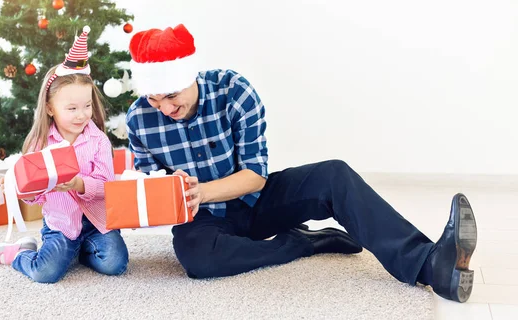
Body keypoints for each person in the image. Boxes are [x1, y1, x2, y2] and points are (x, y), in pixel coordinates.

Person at [125, 24, 478, 303]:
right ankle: (303, 243)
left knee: (333, 175)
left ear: (190, 77)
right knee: (198, 261)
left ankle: (432, 264)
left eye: (172, 96)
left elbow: (255, 178)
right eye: (155, 100)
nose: (166, 109)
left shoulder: (234, 91)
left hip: (253, 200)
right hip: (201, 219)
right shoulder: (139, 119)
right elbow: (148, 184)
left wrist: (201, 191)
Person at [0, 26, 129, 284]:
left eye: (86, 106)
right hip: (61, 224)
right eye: (71, 108)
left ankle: (81, 251)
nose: (82, 114)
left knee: (115, 264)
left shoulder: (98, 140)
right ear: (50, 108)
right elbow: (34, 197)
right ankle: (18, 254)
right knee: (45, 273)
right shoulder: (39, 143)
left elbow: (107, 185)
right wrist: (20, 188)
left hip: (97, 222)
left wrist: (79, 184)